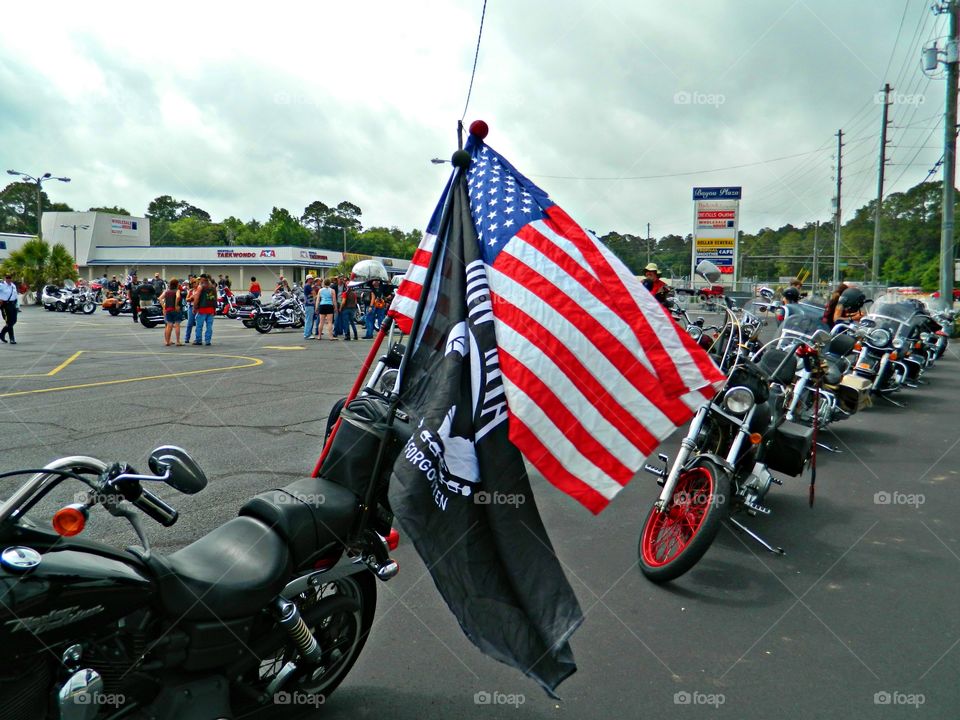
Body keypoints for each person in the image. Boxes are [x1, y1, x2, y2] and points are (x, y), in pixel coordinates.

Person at [193, 274, 217, 345]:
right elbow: (215, 298)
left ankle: (198, 340)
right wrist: (214, 308)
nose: (200, 280)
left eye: (200, 279)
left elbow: (196, 298)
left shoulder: (201, 287)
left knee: (199, 326)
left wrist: (195, 307)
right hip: (211, 309)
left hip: (202, 309)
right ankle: (208, 341)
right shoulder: (213, 287)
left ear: (203, 279)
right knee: (209, 326)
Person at [162, 278, 185, 346]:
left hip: (168, 309)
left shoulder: (166, 291)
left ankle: (167, 341)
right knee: (177, 324)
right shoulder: (177, 291)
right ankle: (178, 341)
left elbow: (160, 298)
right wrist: (176, 305)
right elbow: (178, 297)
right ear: (176, 284)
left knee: (169, 325)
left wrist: (164, 307)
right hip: (175, 310)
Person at [0, 273, 19, 344]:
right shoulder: (2, 285)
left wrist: (17, 306)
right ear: (5, 278)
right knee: (9, 322)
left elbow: (15, 295)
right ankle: (12, 339)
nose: (9, 279)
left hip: (13, 305)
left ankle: (2, 333)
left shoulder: (13, 286)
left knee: (14, 321)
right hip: (5, 305)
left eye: (10, 278)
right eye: (7, 278)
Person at [183, 278, 199, 344]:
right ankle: (187, 338)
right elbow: (186, 299)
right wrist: (191, 298)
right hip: (191, 307)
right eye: (193, 283)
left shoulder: (199, 290)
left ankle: (197, 339)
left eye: (195, 282)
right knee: (190, 323)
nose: (194, 284)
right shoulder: (190, 291)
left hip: (198, 308)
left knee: (198, 324)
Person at [302, 275, 316, 340]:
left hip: (309, 304)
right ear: (308, 279)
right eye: (311, 279)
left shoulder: (307, 286)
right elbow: (313, 293)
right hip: (309, 304)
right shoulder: (308, 286)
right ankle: (307, 334)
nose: (312, 280)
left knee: (309, 319)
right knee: (309, 320)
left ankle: (308, 333)